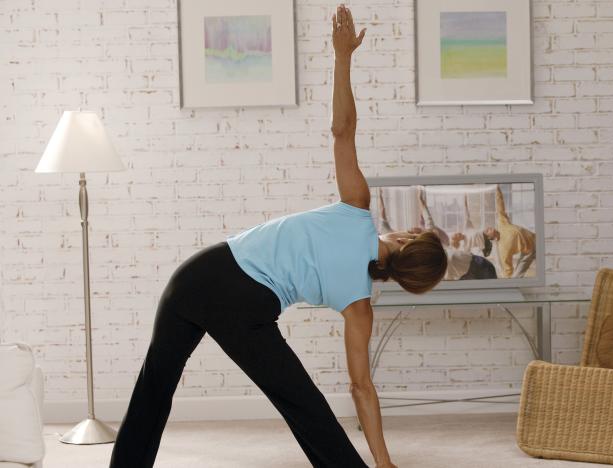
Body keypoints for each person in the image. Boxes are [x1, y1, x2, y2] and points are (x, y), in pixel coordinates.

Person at [108, 6, 447, 468]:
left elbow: (342, 130)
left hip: (196, 274)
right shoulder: (360, 306)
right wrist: (384, 462)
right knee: (303, 405)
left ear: (408, 239)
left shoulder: (356, 210)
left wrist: (342, 57)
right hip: (244, 303)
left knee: (153, 393)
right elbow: (361, 388)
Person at [488, 186, 536, 278]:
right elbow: (507, 268)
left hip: (534, 239)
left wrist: (497, 189)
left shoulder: (502, 224)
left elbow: (500, 206)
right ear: (490, 237)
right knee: (516, 276)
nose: (489, 228)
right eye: (488, 231)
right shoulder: (502, 249)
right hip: (528, 252)